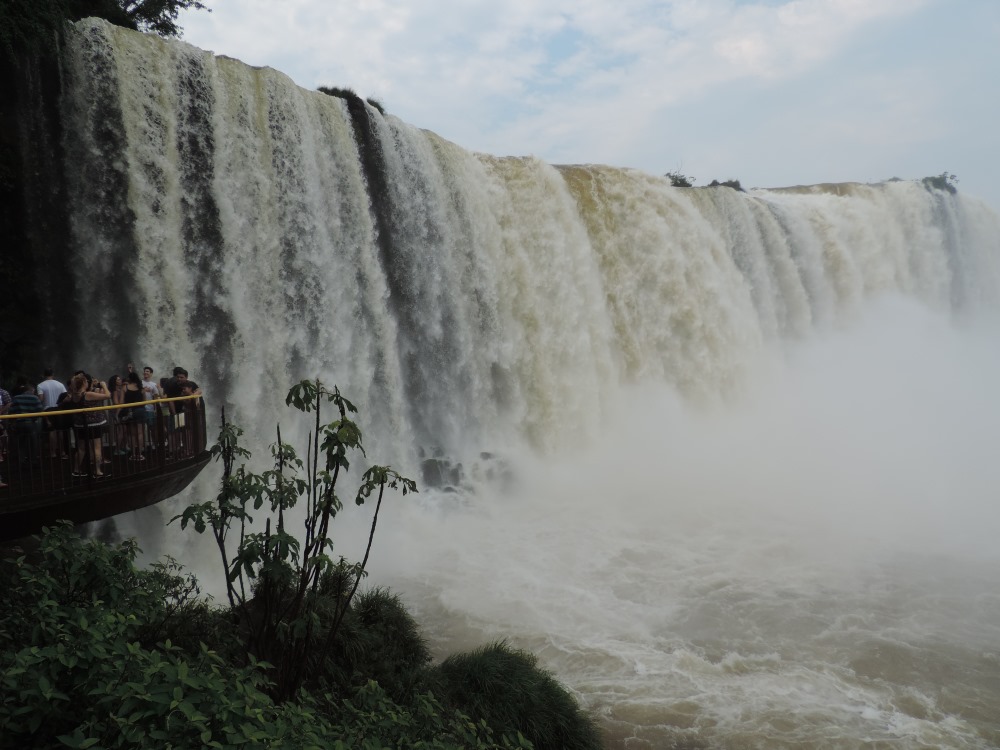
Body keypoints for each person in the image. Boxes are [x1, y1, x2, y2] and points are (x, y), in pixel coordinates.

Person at [66, 373, 111, 478]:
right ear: (83, 383)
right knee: (96, 448)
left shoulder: (74, 395)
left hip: (80, 425)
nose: (87, 383)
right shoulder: (87, 395)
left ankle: (76, 470)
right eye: (86, 381)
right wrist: (104, 385)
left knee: (81, 448)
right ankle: (97, 471)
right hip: (93, 425)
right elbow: (108, 395)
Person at [121, 372, 146, 461]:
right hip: (140, 410)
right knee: (140, 433)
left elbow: (121, 402)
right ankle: (140, 454)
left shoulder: (125, 387)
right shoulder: (141, 388)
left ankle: (133, 455)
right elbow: (145, 401)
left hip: (130, 411)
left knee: (131, 434)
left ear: (129, 379)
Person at [141, 366, 160, 449]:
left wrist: (156, 409)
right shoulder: (140, 383)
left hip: (150, 409)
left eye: (147, 371)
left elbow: (156, 397)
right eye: (145, 371)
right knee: (141, 428)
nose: (145, 372)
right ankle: (142, 445)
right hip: (141, 409)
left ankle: (154, 444)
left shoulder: (153, 384)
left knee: (152, 428)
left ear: (151, 374)